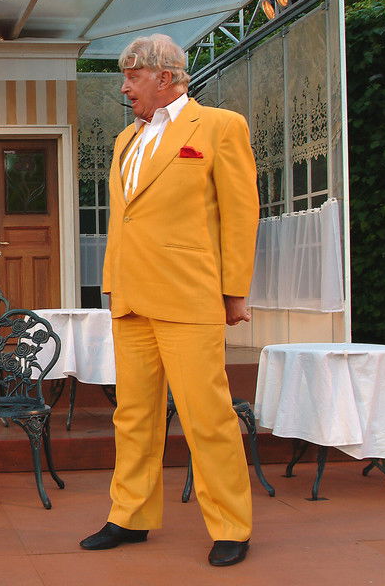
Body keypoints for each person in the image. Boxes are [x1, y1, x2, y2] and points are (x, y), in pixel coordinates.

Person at [79, 34, 259, 566]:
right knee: (133, 415)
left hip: (189, 295)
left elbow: (240, 214)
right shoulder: (125, 140)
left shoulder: (220, 126)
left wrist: (234, 292)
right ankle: (129, 515)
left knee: (207, 416)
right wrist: (113, 284)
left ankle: (232, 525)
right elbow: (127, 219)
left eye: (132, 77)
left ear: (164, 77)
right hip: (130, 296)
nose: (124, 87)